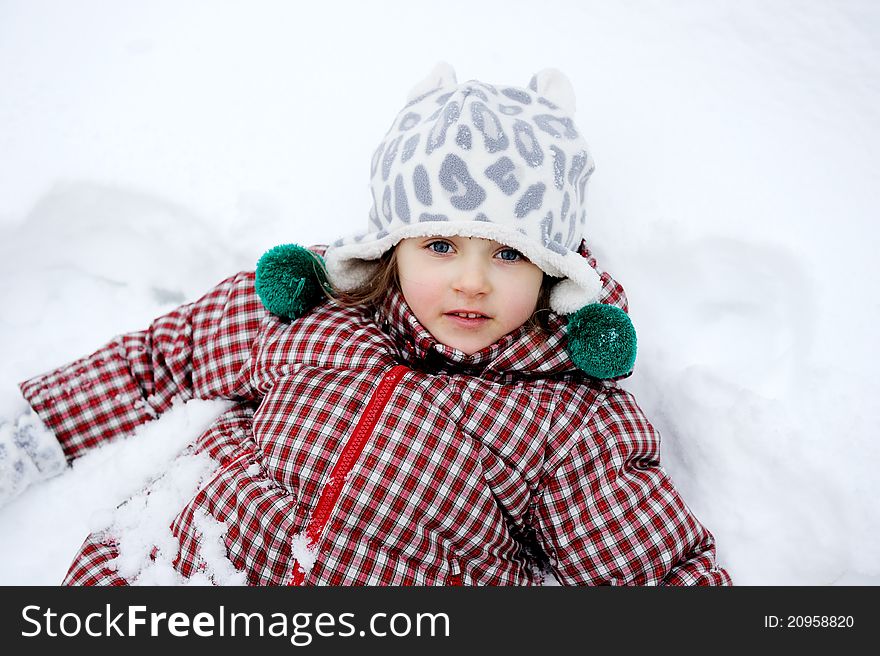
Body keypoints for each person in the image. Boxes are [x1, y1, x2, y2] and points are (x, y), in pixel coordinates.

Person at [4, 63, 732, 585]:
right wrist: (29, 434)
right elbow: (167, 357)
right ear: (394, 246)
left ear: (552, 272)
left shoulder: (564, 418)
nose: (470, 280)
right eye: (440, 245)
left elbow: (648, 565)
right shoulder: (317, 308)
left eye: (509, 253)